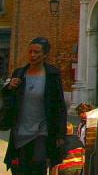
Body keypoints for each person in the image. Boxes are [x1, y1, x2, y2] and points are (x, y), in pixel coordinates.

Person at [2, 37, 68, 175]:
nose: (32, 55)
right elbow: (8, 101)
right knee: (20, 170)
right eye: (30, 51)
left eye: (36, 52)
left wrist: (61, 134)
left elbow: (59, 106)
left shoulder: (52, 75)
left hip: (41, 131)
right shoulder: (19, 73)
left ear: (45, 55)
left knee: (38, 165)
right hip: (20, 132)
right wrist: (8, 87)